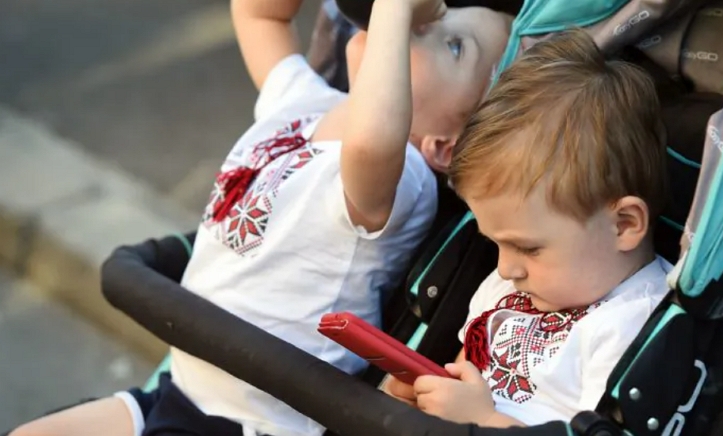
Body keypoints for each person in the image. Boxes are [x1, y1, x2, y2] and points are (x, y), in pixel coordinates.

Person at [10, 1, 512, 436]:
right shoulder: (308, 101)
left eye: (454, 46)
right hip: (179, 385)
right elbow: (259, 14)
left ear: (442, 146)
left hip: (256, 421)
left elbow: (374, 137)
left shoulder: (404, 176)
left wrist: (396, 10)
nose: (426, 23)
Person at [384, 28, 672, 427]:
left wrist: (482, 421)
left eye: (529, 249)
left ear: (623, 224)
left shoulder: (632, 325)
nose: (506, 268)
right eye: (495, 243)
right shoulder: (508, 289)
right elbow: (467, 374)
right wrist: (429, 394)